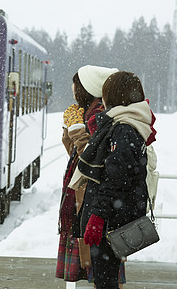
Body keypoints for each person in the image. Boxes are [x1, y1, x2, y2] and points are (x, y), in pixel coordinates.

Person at [77, 71, 156, 288]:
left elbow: (116, 178)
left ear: (113, 96)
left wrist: (98, 218)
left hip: (110, 219)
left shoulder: (123, 128)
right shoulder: (129, 124)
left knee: (105, 280)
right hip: (116, 214)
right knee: (107, 277)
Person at [56, 65, 126, 286]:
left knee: (101, 267)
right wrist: (69, 130)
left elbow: (91, 158)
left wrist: (77, 129)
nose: (73, 90)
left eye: (76, 85)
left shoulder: (99, 116)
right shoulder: (88, 112)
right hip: (87, 198)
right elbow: (75, 155)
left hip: (94, 200)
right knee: (98, 266)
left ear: (86, 88)